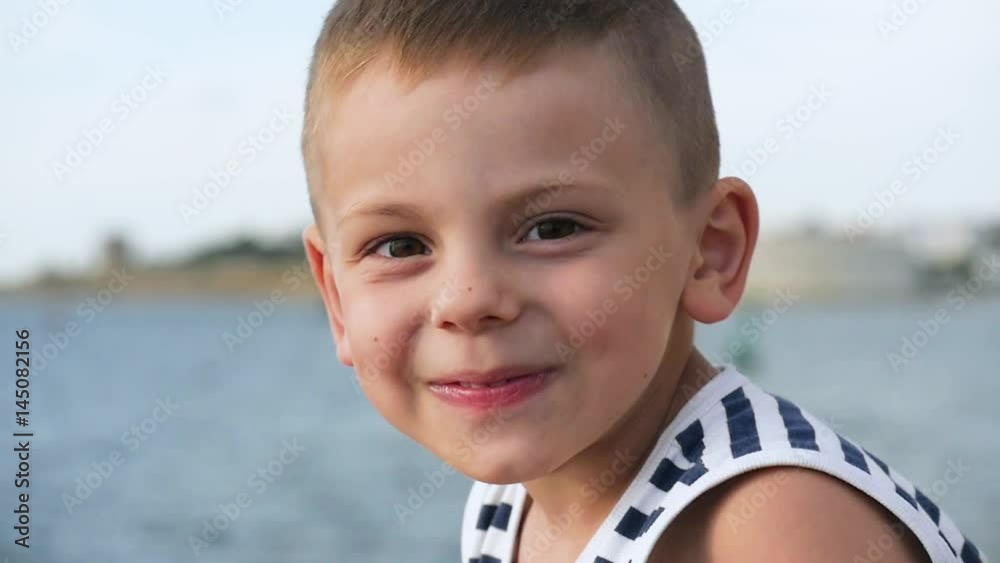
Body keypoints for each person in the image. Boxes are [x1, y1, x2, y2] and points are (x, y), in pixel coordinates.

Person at [297, 1, 983, 562]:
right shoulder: (506, 502)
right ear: (336, 298)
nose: (468, 300)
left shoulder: (769, 528)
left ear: (709, 252)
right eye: (399, 245)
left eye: (553, 228)